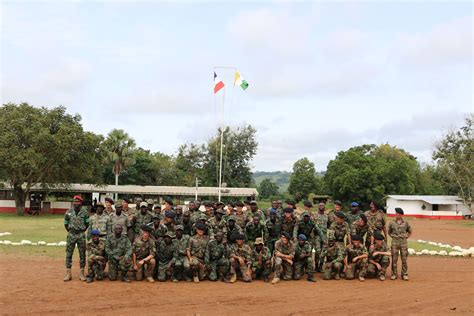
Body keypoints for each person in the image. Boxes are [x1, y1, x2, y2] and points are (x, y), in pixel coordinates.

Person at [63, 195, 89, 282]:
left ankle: (82, 273)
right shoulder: (68, 212)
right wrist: (71, 231)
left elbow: (87, 224)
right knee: (69, 254)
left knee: (82, 254)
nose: (76, 203)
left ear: (80, 203)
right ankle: (68, 273)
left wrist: (80, 231)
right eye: (74, 202)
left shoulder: (85, 213)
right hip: (71, 235)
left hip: (81, 235)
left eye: (77, 202)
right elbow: (66, 224)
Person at [388, 208, 412, 281]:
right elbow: (389, 231)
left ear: (401, 214)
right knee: (394, 259)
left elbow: (410, 231)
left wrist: (406, 237)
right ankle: (394, 274)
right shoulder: (392, 222)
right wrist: (393, 237)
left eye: (398, 213)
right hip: (395, 242)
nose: (397, 214)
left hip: (403, 242)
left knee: (404, 259)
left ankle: (404, 274)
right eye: (396, 213)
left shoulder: (406, 222)